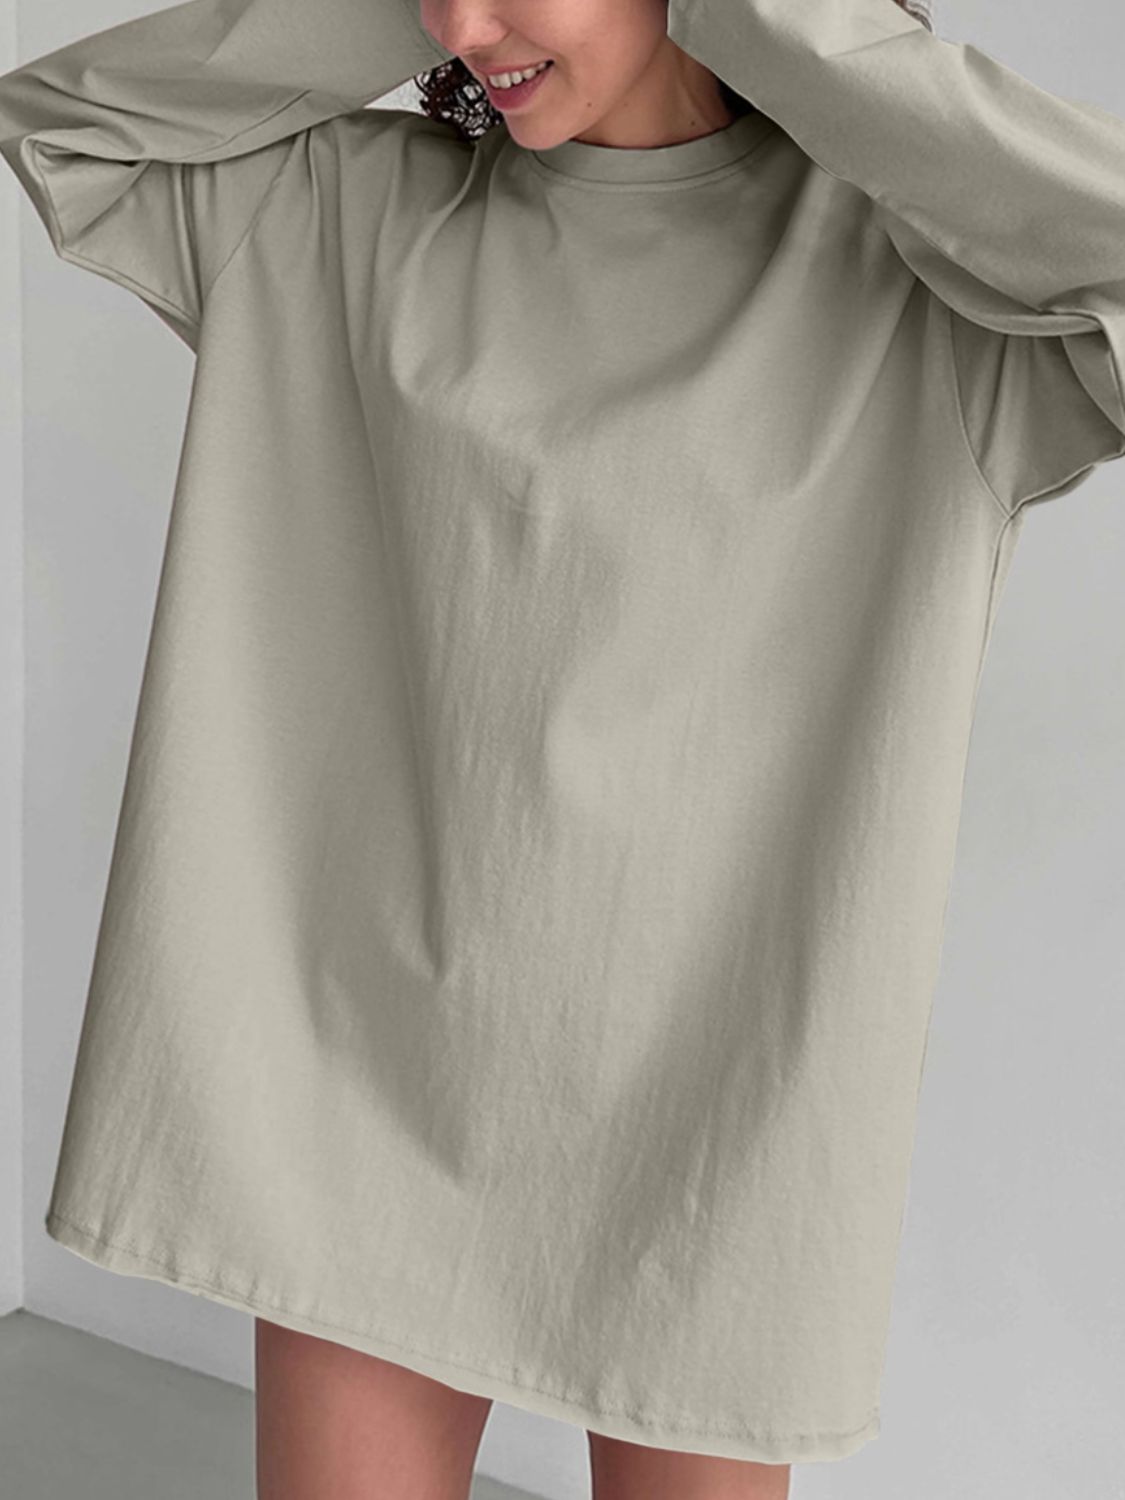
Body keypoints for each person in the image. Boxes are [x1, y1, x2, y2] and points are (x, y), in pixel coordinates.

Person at [1, 0, 1122, 1496]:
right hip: (362, 1094)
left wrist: (784, 33)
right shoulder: (343, 212)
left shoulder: (923, 294)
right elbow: (63, 126)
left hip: (722, 1128)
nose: (461, 20)